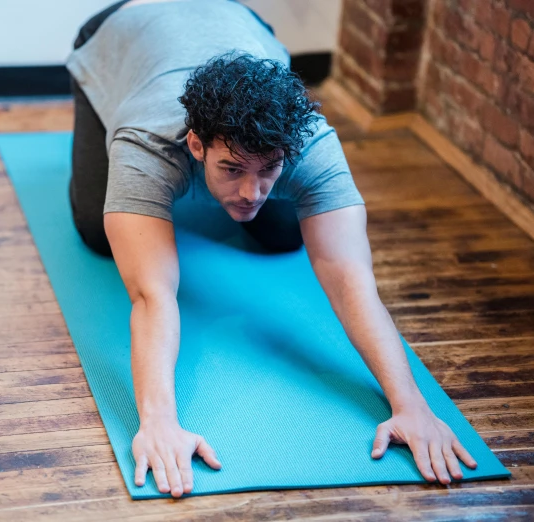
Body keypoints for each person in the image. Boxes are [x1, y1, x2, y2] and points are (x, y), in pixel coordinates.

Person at [66, 0, 478, 498]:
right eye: (232, 170)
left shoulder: (311, 144)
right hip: (121, 31)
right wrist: (159, 422)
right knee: (96, 230)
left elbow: (350, 278)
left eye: (268, 171)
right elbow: (154, 296)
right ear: (196, 145)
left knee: (283, 234)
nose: (250, 191)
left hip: (235, 18)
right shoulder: (146, 144)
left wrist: (410, 404)